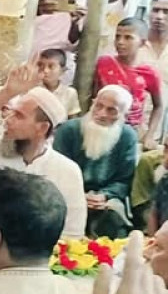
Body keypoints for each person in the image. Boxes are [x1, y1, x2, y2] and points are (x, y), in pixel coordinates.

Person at [0, 62, 87, 239]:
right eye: (11, 112)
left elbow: (73, 233)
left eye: (18, 115)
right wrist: (6, 92)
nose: (7, 120)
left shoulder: (67, 171)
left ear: (42, 128)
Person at [53, 85, 138, 238]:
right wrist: (79, 195)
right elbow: (57, 170)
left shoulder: (127, 136)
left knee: (113, 221)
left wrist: (104, 195)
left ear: (123, 115)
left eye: (111, 110)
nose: (102, 114)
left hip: (106, 198)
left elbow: (124, 180)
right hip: (68, 193)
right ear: (93, 104)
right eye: (99, 106)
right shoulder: (68, 130)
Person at [94, 17, 163, 150]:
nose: (120, 42)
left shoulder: (148, 73)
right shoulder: (104, 63)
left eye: (128, 38)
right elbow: (94, 93)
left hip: (130, 130)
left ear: (142, 43)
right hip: (102, 126)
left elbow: (158, 106)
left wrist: (149, 135)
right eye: (117, 37)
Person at [137, 0, 168, 142]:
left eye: (166, 12)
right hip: (127, 127)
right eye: (155, 10)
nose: (159, 16)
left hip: (157, 133)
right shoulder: (135, 44)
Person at [37, 48, 81, 118]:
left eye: (51, 66)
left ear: (62, 70)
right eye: (41, 66)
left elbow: (72, 119)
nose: (45, 70)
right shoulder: (34, 90)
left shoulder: (69, 93)